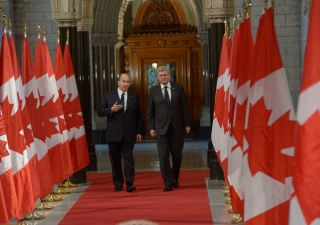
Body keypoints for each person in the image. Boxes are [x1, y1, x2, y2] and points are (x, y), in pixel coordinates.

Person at [97, 73, 144, 192]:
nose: (126, 84)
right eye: (124, 81)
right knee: (115, 160)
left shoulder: (134, 96)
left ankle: (129, 184)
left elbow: (138, 116)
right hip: (113, 134)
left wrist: (139, 132)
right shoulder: (109, 95)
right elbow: (100, 111)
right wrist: (111, 110)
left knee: (129, 159)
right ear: (118, 82)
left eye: (128, 82)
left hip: (129, 134)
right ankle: (118, 183)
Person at [147, 66, 191, 192]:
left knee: (177, 155)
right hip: (161, 128)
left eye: (165, 75)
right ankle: (167, 182)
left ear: (169, 75)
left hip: (176, 127)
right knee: (163, 156)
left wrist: (187, 124)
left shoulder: (178, 88)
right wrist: (151, 127)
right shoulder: (153, 91)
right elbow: (150, 111)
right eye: (160, 75)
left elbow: (185, 107)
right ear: (157, 77)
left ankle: (175, 178)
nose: (163, 77)